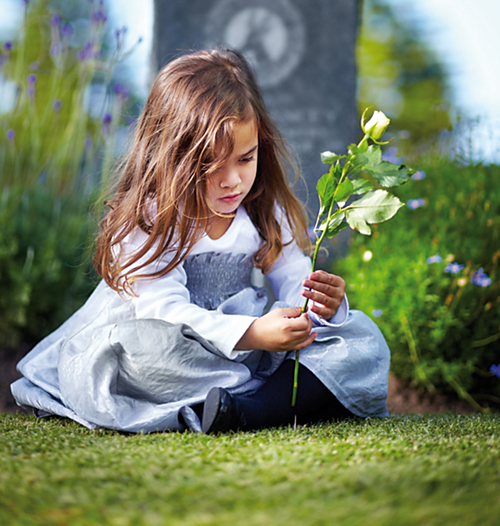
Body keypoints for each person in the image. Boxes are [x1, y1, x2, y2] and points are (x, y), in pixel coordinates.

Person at [11, 48, 390, 434]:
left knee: (361, 340)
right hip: (173, 342)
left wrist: (317, 308)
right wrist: (254, 334)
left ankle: (247, 411)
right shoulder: (152, 219)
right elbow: (165, 311)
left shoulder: (262, 209)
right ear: (172, 155)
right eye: (210, 165)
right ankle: (254, 402)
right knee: (152, 354)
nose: (232, 180)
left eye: (246, 158)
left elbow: (294, 275)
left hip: (245, 350)